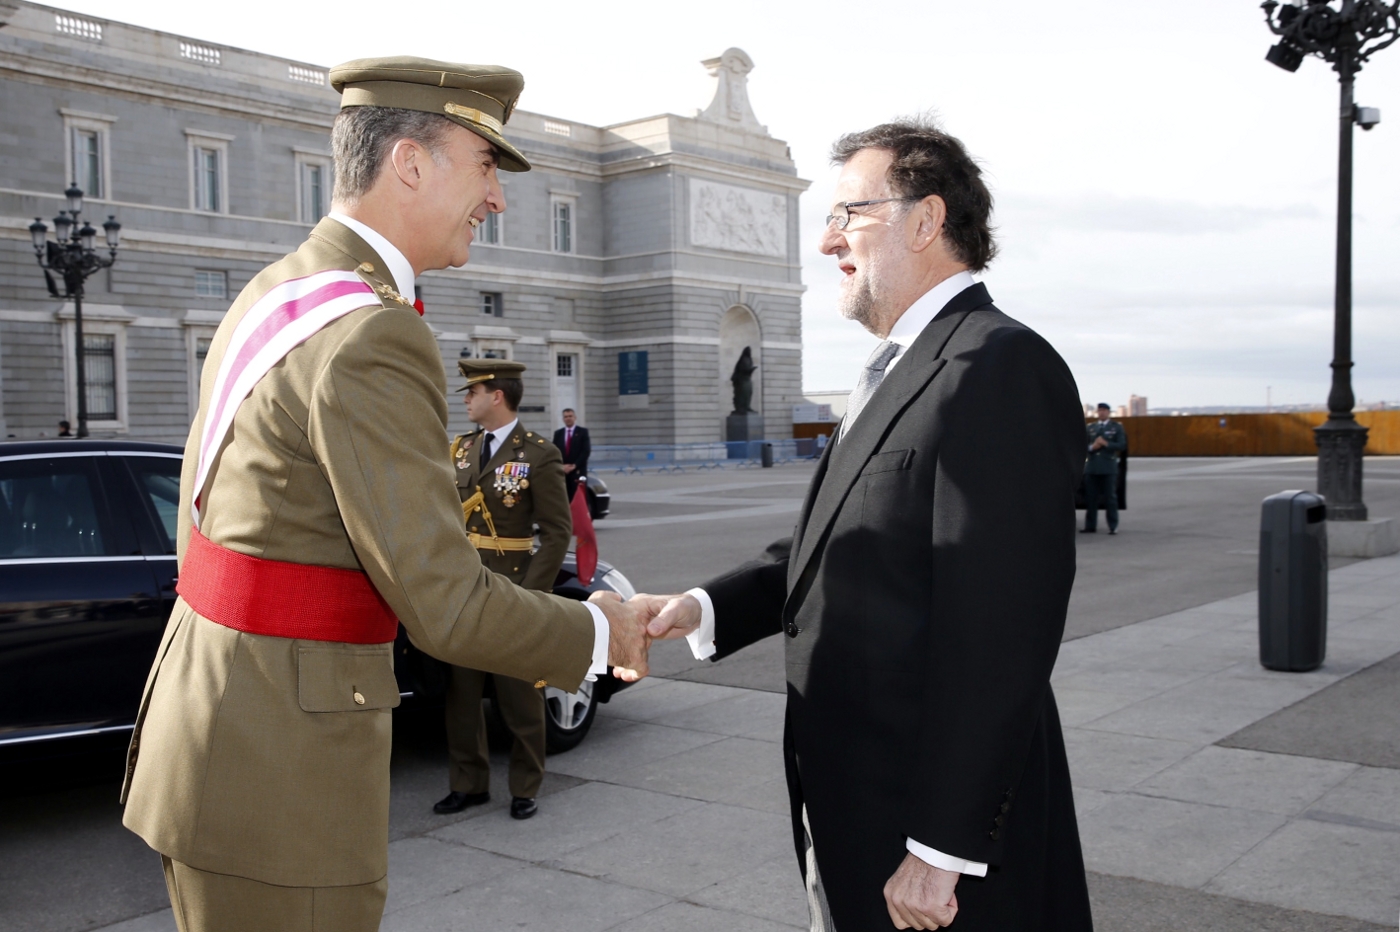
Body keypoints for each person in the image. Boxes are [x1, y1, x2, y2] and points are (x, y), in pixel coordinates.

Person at [118, 57, 650, 932]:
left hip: (216, 733)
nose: (497, 198)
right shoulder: (372, 333)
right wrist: (602, 631)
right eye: (486, 165)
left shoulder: (279, 291)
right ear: (409, 162)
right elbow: (445, 603)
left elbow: (211, 528)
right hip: (283, 778)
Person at [640, 118, 1092, 932]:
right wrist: (704, 609)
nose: (826, 241)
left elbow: (1002, 630)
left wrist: (943, 846)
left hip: (928, 841)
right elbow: (845, 543)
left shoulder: (997, 366)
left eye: (849, 213)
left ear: (926, 220)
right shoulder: (906, 366)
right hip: (857, 804)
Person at [435, 359, 571, 821]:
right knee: (462, 695)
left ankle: (525, 786)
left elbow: (557, 533)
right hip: (465, 588)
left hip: (513, 588)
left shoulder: (538, 453)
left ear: (497, 396)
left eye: (473, 392)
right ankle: (468, 784)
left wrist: (533, 596)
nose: (466, 400)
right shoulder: (460, 449)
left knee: (520, 696)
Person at [1083, 402, 1125, 535]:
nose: (1102, 412)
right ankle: (1090, 526)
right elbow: (1082, 445)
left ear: (1108, 412)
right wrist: (1092, 447)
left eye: (1104, 410)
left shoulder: (1116, 427)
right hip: (1092, 467)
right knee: (1091, 498)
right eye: (1100, 410)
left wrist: (1106, 443)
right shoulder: (1090, 427)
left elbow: (1121, 445)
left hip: (1108, 467)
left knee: (1110, 498)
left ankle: (1113, 526)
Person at [552, 407, 591, 502]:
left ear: (575, 417)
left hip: (577, 471)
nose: (568, 418)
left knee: (578, 499)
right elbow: (554, 452)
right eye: (566, 417)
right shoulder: (558, 433)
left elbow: (586, 451)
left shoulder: (582, 432)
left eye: (570, 416)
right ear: (563, 419)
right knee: (564, 498)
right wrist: (561, 466)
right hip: (563, 472)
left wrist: (574, 465)